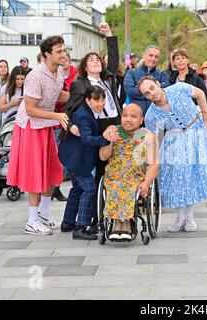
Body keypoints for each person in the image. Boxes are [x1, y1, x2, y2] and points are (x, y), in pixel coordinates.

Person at [139, 76, 207, 232]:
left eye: (151, 88)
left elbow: (201, 94)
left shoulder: (179, 88)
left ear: (157, 83)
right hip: (174, 140)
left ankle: (189, 217)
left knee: (191, 176)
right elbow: (153, 137)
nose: (151, 93)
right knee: (178, 177)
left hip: (195, 132)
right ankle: (180, 217)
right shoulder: (151, 114)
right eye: (146, 93)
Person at [6, 35, 70, 235]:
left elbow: (55, 93)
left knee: (53, 170)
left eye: (63, 50)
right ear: (46, 55)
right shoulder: (35, 76)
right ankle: (32, 220)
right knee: (35, 173)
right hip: (31, 127)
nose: (63, 54)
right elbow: (31, 108)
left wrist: (78, 95)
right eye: (59, 51)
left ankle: (43, 213)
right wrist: (58, 115)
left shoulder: (58, 72)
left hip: (46, 125)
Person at [64, 23, 122, 231]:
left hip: (115, 122)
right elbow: (68, 109)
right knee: (98, 172)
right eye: (91, 60)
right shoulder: (80, 85)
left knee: (113, 169)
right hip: (97, 127)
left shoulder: (108, 78)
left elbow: (113, 59)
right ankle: (96, 217)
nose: (96, 62)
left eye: (98, 59)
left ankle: (111, 211)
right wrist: (70, 127)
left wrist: (108, 34)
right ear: (84, 67)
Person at [59, 86, 111, 240]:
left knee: (77, 189)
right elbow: (87, 139)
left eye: (103, 100)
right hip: (76, 159)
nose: (101, 103)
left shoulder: (86, 111)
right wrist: (105, 139)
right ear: (88, 100)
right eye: (97, 100)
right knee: (89, 188)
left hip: (73, 156)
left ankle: (68, 223)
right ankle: (81, 227)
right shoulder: (84, 116)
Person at [100, 103, 159, 240]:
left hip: (136, 176)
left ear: (141, 119)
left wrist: (146, 183)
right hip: (114, 175)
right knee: (115, 185)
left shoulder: (147, 136)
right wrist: (109, 141)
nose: (128, 119)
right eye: (125, 116)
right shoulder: (113, 131)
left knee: (130, 186)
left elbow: (154, 164)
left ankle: (125, 224)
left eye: (133, 116)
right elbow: (103, 156)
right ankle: (117, 224)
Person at [52, 50, 78, 201]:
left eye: (66, 59)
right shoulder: (55, 76)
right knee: (58, 156)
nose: (64, 62)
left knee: (67, 156)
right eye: (61, 59)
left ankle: (57, 185)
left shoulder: (75, 76)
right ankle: (55, 187)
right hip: (56, 122)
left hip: (71, 120)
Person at [168, 49, 207, 130]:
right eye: (177, 59)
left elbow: (206, 100)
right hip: (179, 120)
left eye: (183, 58)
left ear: (187, 60)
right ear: (174, 62)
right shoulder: (172, 78)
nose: (180, 61)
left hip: (196, 117)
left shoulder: (196, 77)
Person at [124, 45, 170, 115]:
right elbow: (129, 90)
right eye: (151, 55)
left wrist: (139, 91)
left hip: (157, 115)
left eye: (156, 57)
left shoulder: (162, 74)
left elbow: (167, 88)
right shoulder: (131, 73)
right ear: (144, 55)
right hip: (137, 115)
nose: (153, 59)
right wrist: (155, 92)